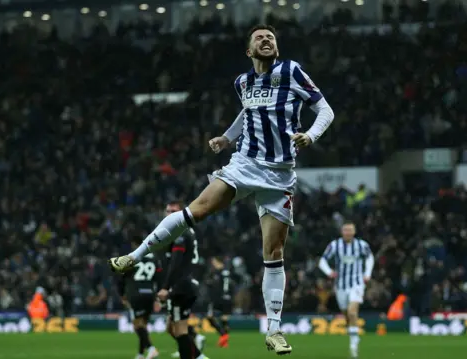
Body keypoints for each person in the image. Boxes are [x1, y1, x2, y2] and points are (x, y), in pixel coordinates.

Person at [109, 24, 334, 355]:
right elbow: (247, 113)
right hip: (244, 165)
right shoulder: (242, 82)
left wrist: (311, 135)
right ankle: (134, 256)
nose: (267, 40)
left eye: (271, 37)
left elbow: (325, 110)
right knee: (194, 211)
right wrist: (227, 139)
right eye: (260, 37)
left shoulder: (291, 71)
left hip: (280, 175)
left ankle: (274, 330)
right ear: (249, 51)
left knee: (273, 253)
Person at [318, 222, 374, 359]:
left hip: (357, 283)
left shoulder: (361, 245)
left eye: (350, 230)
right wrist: (329, 272)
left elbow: (370, 258)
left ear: (354, 232)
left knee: (352, 312)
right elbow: (322, 261)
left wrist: (367, 274)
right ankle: (353, 333)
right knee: (346, 314)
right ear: (342, 232)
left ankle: (354, 343)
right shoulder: (335, 245)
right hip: (341, 285)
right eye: (345, 230)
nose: (348, 232)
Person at [155, 212, 207, 359]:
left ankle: (196, 356)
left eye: (172, 211)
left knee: (179, 330)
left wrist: (166, 287)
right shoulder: (187, 233)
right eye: (167, 211)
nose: (168, 214)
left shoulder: (180, 235)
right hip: (185, 285)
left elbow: (175, 263)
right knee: (172, 328)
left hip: (180, 288)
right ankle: (198, 356)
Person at [117, 241, 162, 359]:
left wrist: (121, 294)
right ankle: (141, 354)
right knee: (144, 325)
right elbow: (159, 278)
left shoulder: (132, 257)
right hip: (150, 294)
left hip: (136, 294)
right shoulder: (154, 258)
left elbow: (121, 277)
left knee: (137, 325)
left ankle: (152, 349)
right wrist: (157, 297)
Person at [206, 256, 235, 348]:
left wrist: (210, 283)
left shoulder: (217, 273)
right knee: (224, 319)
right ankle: (225, 342)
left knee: (210, 317)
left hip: (219, 298)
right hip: (228, 298)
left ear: (218, 262)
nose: (213, 264)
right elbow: (234, 284)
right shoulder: (229, 272)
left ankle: (223, 334)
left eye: (214, 262)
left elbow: (215, 285)